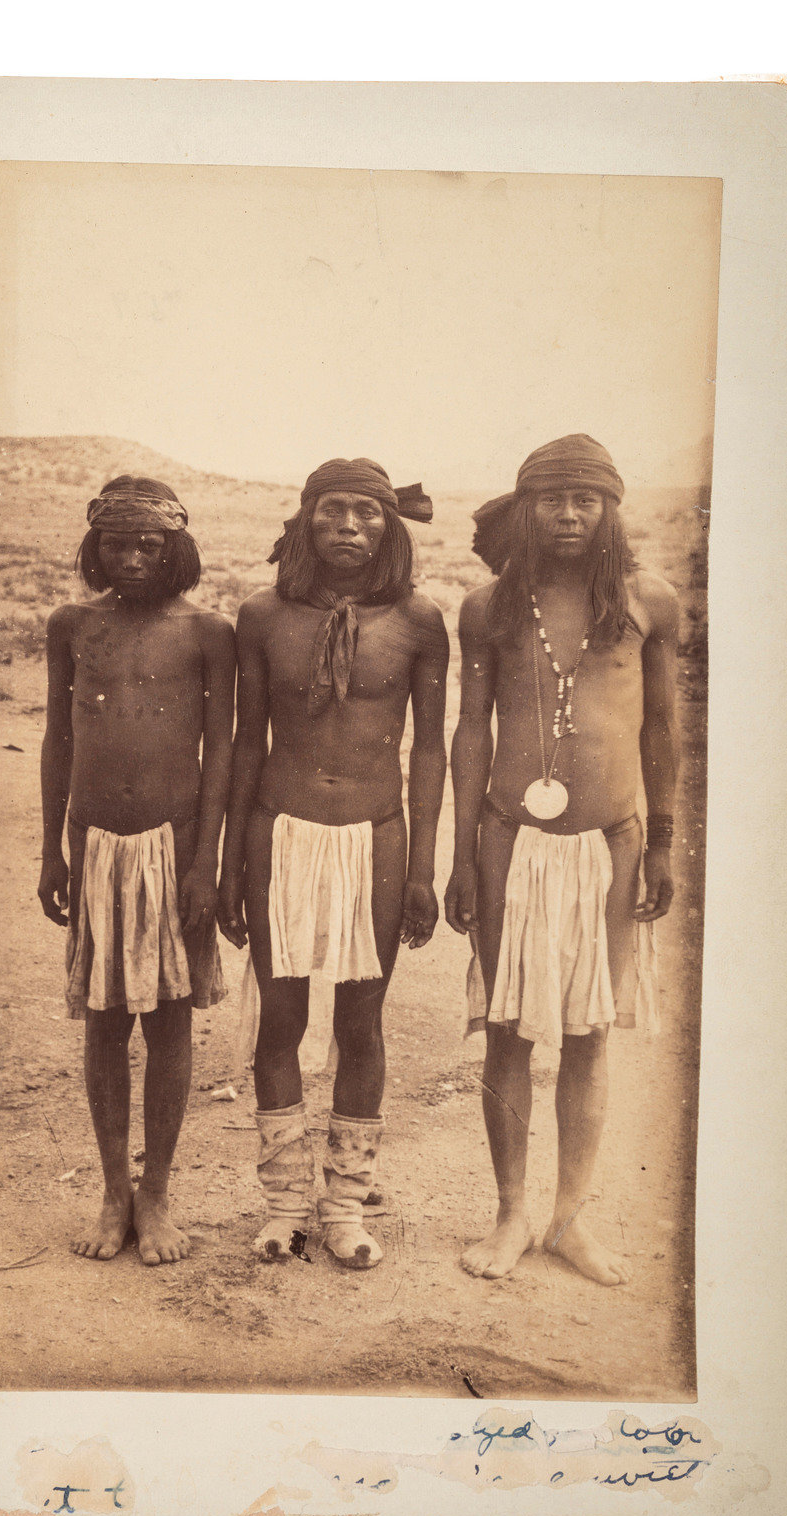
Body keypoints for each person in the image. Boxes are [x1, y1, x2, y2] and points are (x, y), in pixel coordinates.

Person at [444, 436, 679, 1284]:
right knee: (508, 1031)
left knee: (587, 1034)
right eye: (553, 499)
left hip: (612, 844)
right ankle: (511, 1215)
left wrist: (663, 842)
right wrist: (465, 854)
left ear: (610, 509)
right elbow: (472, 732)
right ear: (526, 508)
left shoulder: (649, 601)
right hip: (512, 841)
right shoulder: (488, 609)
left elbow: (660, 729)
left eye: (586, 499)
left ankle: (570, 1219)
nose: (570, 514)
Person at [218, 459, 449, 1269]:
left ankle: (345, 1206)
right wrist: (228, 866)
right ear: (305, 523)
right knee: (280, 1021)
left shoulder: (421, 621)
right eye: (332, 512)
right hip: (279, 832)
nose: (348, 528)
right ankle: (283, 1205)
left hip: (375, 837)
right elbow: (248, 742)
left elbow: (430, 751)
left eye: (366, 514)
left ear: (391, 529)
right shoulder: (261, 617)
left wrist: (421, 866)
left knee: (362, 1022)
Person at [38, 475, 235, 1266]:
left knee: (169, 1021)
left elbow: (220, 752)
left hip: (172, 845)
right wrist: (50, 848)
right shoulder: (71, 625)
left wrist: (203, 865)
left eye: (150, 543)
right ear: (95, 547)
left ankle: (158, 1196)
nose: (133, 557)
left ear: (176, 548)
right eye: (117, 543)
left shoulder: (207, 632)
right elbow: (58, 740)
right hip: (94, 845)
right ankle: (115, 1191)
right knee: (105, 1020)